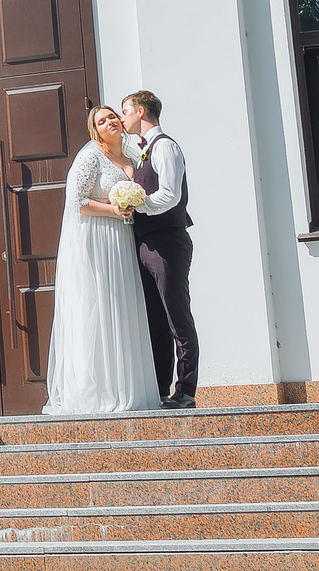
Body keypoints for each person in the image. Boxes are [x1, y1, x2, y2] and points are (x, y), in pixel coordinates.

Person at [40, 105, 162, 415]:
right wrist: (114, 209)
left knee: (122, 309)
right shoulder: (90, 157)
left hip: (121, 241)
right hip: (96, 239)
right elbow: (77, 201)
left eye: (112, 117)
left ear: (122, 123)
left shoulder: (133, 157)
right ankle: (94, 393)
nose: (109, 122)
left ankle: (127, 387)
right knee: (97, 307)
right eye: (101, 120)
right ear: (95, 129)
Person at [121, 89, 198, 409]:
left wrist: (138, 205)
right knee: (155, 320)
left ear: (141, 112)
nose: (122, 117)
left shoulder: (164, 147)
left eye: (125, 111)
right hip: (147, 243)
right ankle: (159, 388)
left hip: (168, 241)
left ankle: (186, 390)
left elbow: (170, 194)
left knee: (176, 318)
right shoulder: (142, 150)